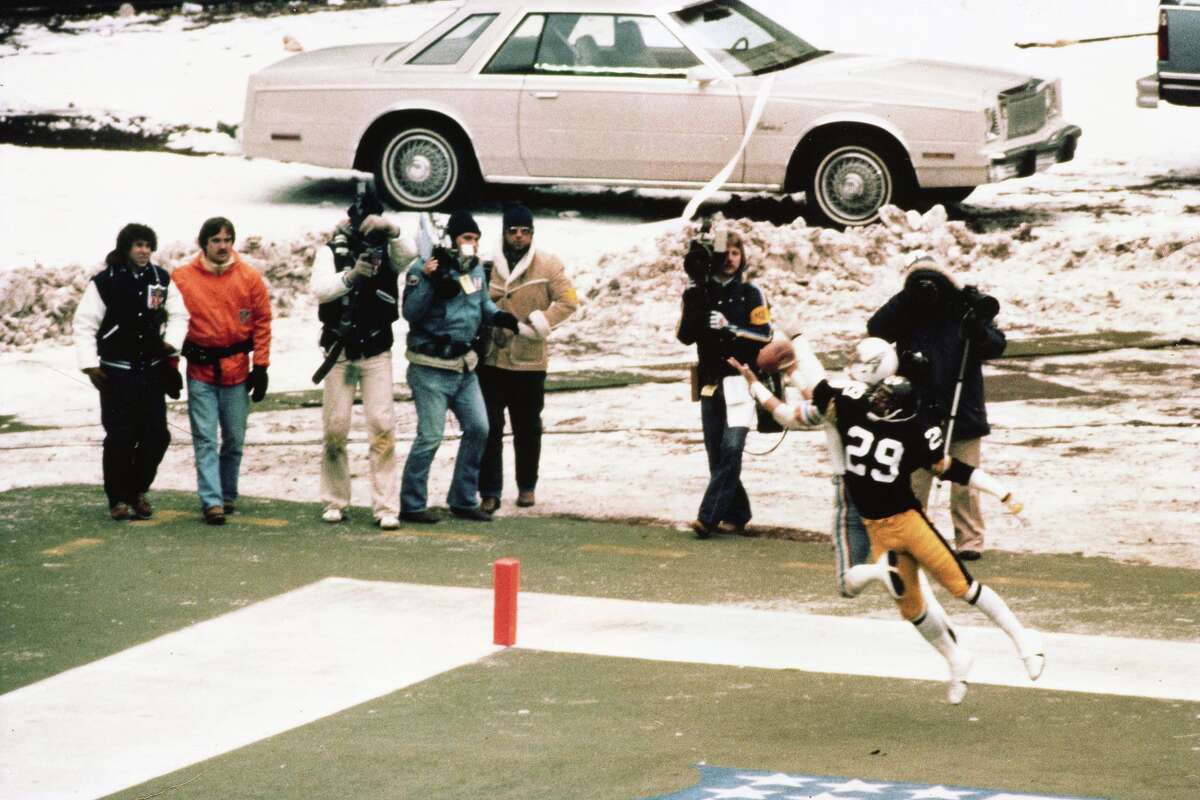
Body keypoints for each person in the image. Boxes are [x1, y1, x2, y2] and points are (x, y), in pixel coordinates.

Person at [736, 360, 1043, 704]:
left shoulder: (910, 428)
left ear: (899, 412)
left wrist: (1003, 493)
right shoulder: (852, 403)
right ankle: (956, 660)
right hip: (876, 527)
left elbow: (953, 469)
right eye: (878, 395)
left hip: (908, 522)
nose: (877, 401)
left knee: (963, 587)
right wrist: (770, 374)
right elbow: (806, 395)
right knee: (912, 610)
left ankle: (1024, 641)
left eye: (884, 400)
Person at [732, 336, 962, 695]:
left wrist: (756, 385)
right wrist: (793, 368)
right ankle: (952, 651)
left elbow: (791, 413)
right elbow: (818, 393)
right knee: (913, 580)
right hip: (893, 496)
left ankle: (882, 573)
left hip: (853, 494)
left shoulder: (840, 397)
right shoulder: (894, 400)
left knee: (848, 582)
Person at [867, 255, 1006, 560]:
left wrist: (978, 327)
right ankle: (915, 535)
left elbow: (996, 345)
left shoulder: (963, 308)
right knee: (916, 479)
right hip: (919, 408)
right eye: (919, 285)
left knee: (965, 482)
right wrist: (904, 298)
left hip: (962, 404)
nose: (927, 292)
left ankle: (969, 541)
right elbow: (876, 330)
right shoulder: (906, 310)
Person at [399, 210, 519, 524]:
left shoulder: (475, 267)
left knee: (479, 428)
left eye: (476, 239)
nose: (473, 244)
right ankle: (412, 503)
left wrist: (499, 316)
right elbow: (410, 312)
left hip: (464, 366)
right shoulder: (425, 267)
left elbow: (481, 302)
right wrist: (429, 280)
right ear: (452, 239)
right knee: (430, 436)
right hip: (430, 367)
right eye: (467, 238)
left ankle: (463, 499)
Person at [309, 186, 412, 530]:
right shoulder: (330, 251)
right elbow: (320, 289)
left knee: (382, 427)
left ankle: (386, 506)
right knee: (335, 428)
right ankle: (335, 499)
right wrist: (351, 276)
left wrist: (391, 229)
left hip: (376, 350)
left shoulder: (389, 250)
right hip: (339, 351)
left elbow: (410, 254)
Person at [72, 223, 189, 520]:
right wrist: (90, 365)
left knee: (157, 436)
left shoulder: (160, 279)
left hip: (150, 372)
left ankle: (137, 489)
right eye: (138, 245)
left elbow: (179, 315)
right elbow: (84, 324)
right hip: (116, 374)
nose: (144, 251)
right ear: (126, 248)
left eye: (148, 245)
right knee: (120, 437)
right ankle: (118, 499)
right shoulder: (105, 282)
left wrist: (171, 344)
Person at [477, 203, 579, 514]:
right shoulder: (486, 266)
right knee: (489, 428)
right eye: (513, 231)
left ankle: (527, 486)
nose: (519, 237)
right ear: (504, 233)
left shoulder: (548, 265)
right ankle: (489, 491)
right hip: (492, 358)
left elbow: (569, 301)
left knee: (527, 428)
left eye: (525, 231)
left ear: (532, 234)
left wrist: (540, 323)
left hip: (529, 361)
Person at [173, 217, 272, 526]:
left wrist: (261, 366)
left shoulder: (249, 278)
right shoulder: (182, 279)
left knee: (234, 439)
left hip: (237, 370)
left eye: (227, 240)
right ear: (203, 243)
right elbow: (171, 323)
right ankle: (212, 501)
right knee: (205, 438)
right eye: (216, 240)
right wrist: (170, 367)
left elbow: (262, 322)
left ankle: (228, 493)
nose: (222, 246)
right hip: (201, 370)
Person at [675, 227, 771, 539]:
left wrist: (732, 328)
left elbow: (765, 335)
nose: (730, 259)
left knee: (732, 447)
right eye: (725, 253)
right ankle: (738, 513)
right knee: (716, 453)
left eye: (735, 253)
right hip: (710, 382)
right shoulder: (699, 293)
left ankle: (708, 518)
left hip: (742, 381)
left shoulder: (750, 293)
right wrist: (694, 299)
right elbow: (684, 336)